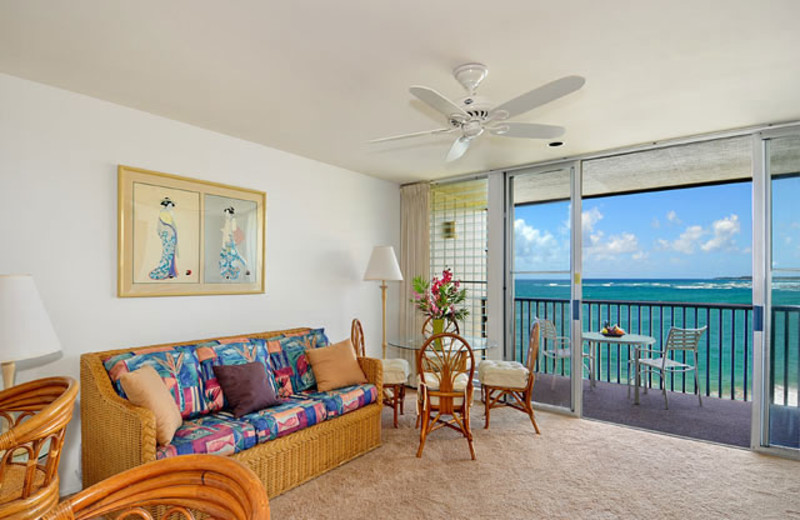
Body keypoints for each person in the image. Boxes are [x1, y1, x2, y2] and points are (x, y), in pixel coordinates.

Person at [149, 197, 179, 280]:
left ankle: (171, 272)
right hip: (168, 233)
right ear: (167, 204)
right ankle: (166, 270)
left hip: (171, 233)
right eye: (170, 204)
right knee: (167, 252)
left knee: (170, 253)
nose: (171, 206)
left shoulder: (170, 212)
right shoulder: (163, 212)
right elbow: (162, 225)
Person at [219, 206, 250, 280]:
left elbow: (222, 258)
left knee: (227, 230)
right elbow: (240, 257)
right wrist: (245, 263)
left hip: (226, 244)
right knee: (231, 229)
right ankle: (231, 215)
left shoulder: (226, 262)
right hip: (231, 241)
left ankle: (228, 216)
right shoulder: (234, 257)